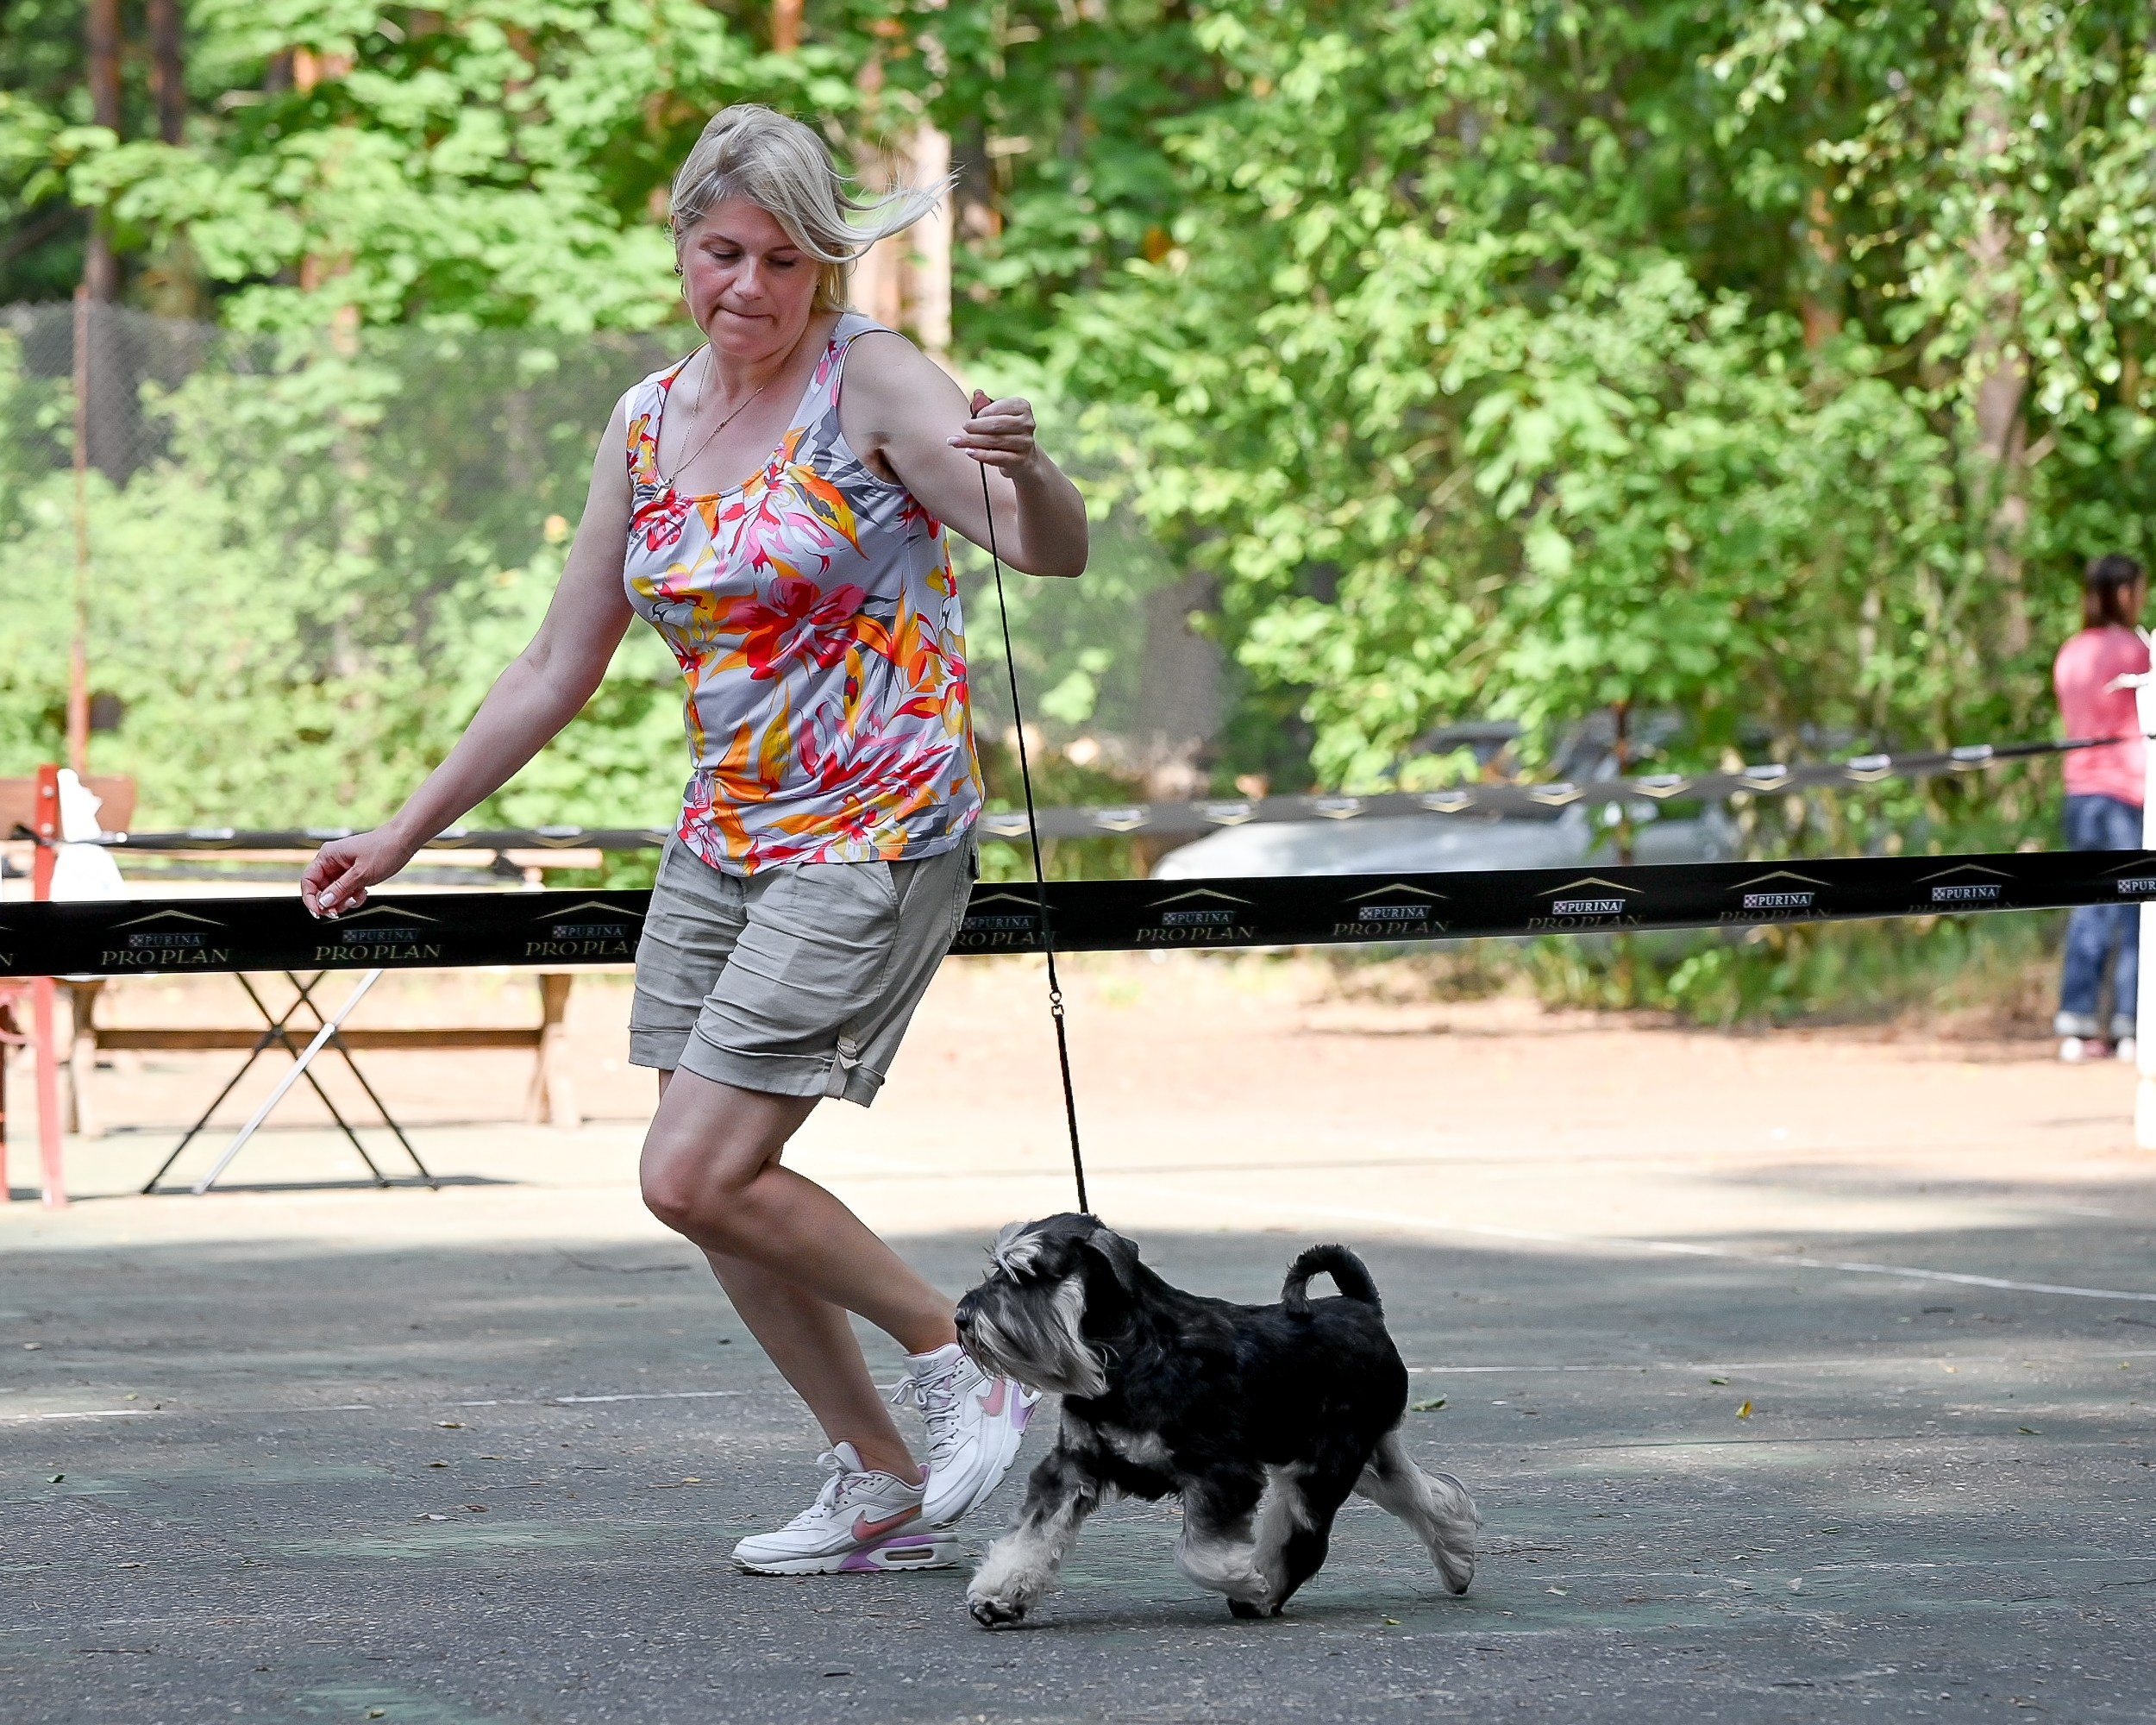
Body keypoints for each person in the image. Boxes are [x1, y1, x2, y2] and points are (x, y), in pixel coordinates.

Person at [301, 104, 1090, 1573]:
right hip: (723, 834)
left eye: (785, 261)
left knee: (693, 1172)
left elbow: (1047, 548)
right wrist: (401, 832)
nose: (750, 286)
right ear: (682, 247)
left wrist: (1030, 468)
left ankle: (968, 1353)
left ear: (824, 266)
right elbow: (557, 662)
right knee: (708, 1189)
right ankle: (876, 1478)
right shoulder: (647, 420)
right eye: (724, 252)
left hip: (874, 825)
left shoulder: (874, 379)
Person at [2052, 553, 2148, 1063]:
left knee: (2088, 902)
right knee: (2134, 906)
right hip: (2125, 795)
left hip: (2080, 794)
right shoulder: (2133, 650)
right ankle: (2132, 1021)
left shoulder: (2072, 652)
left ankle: (2078, 1019)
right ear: (2125, 592)